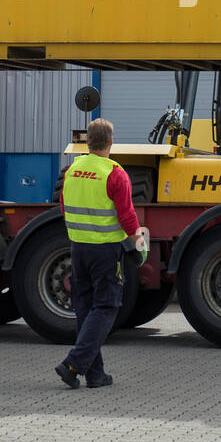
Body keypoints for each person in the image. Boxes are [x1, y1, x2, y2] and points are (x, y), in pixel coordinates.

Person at [54, 117, 145, 390]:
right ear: (111, 142)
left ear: (87, 142)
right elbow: (127, 215)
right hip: (105, 250)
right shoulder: (114, 173)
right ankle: (73, 364)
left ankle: (96, 374)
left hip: (78, 247)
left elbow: (63, 206)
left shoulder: (72, 170)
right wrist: (139, 243)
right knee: (106, 306)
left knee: (85, 307)